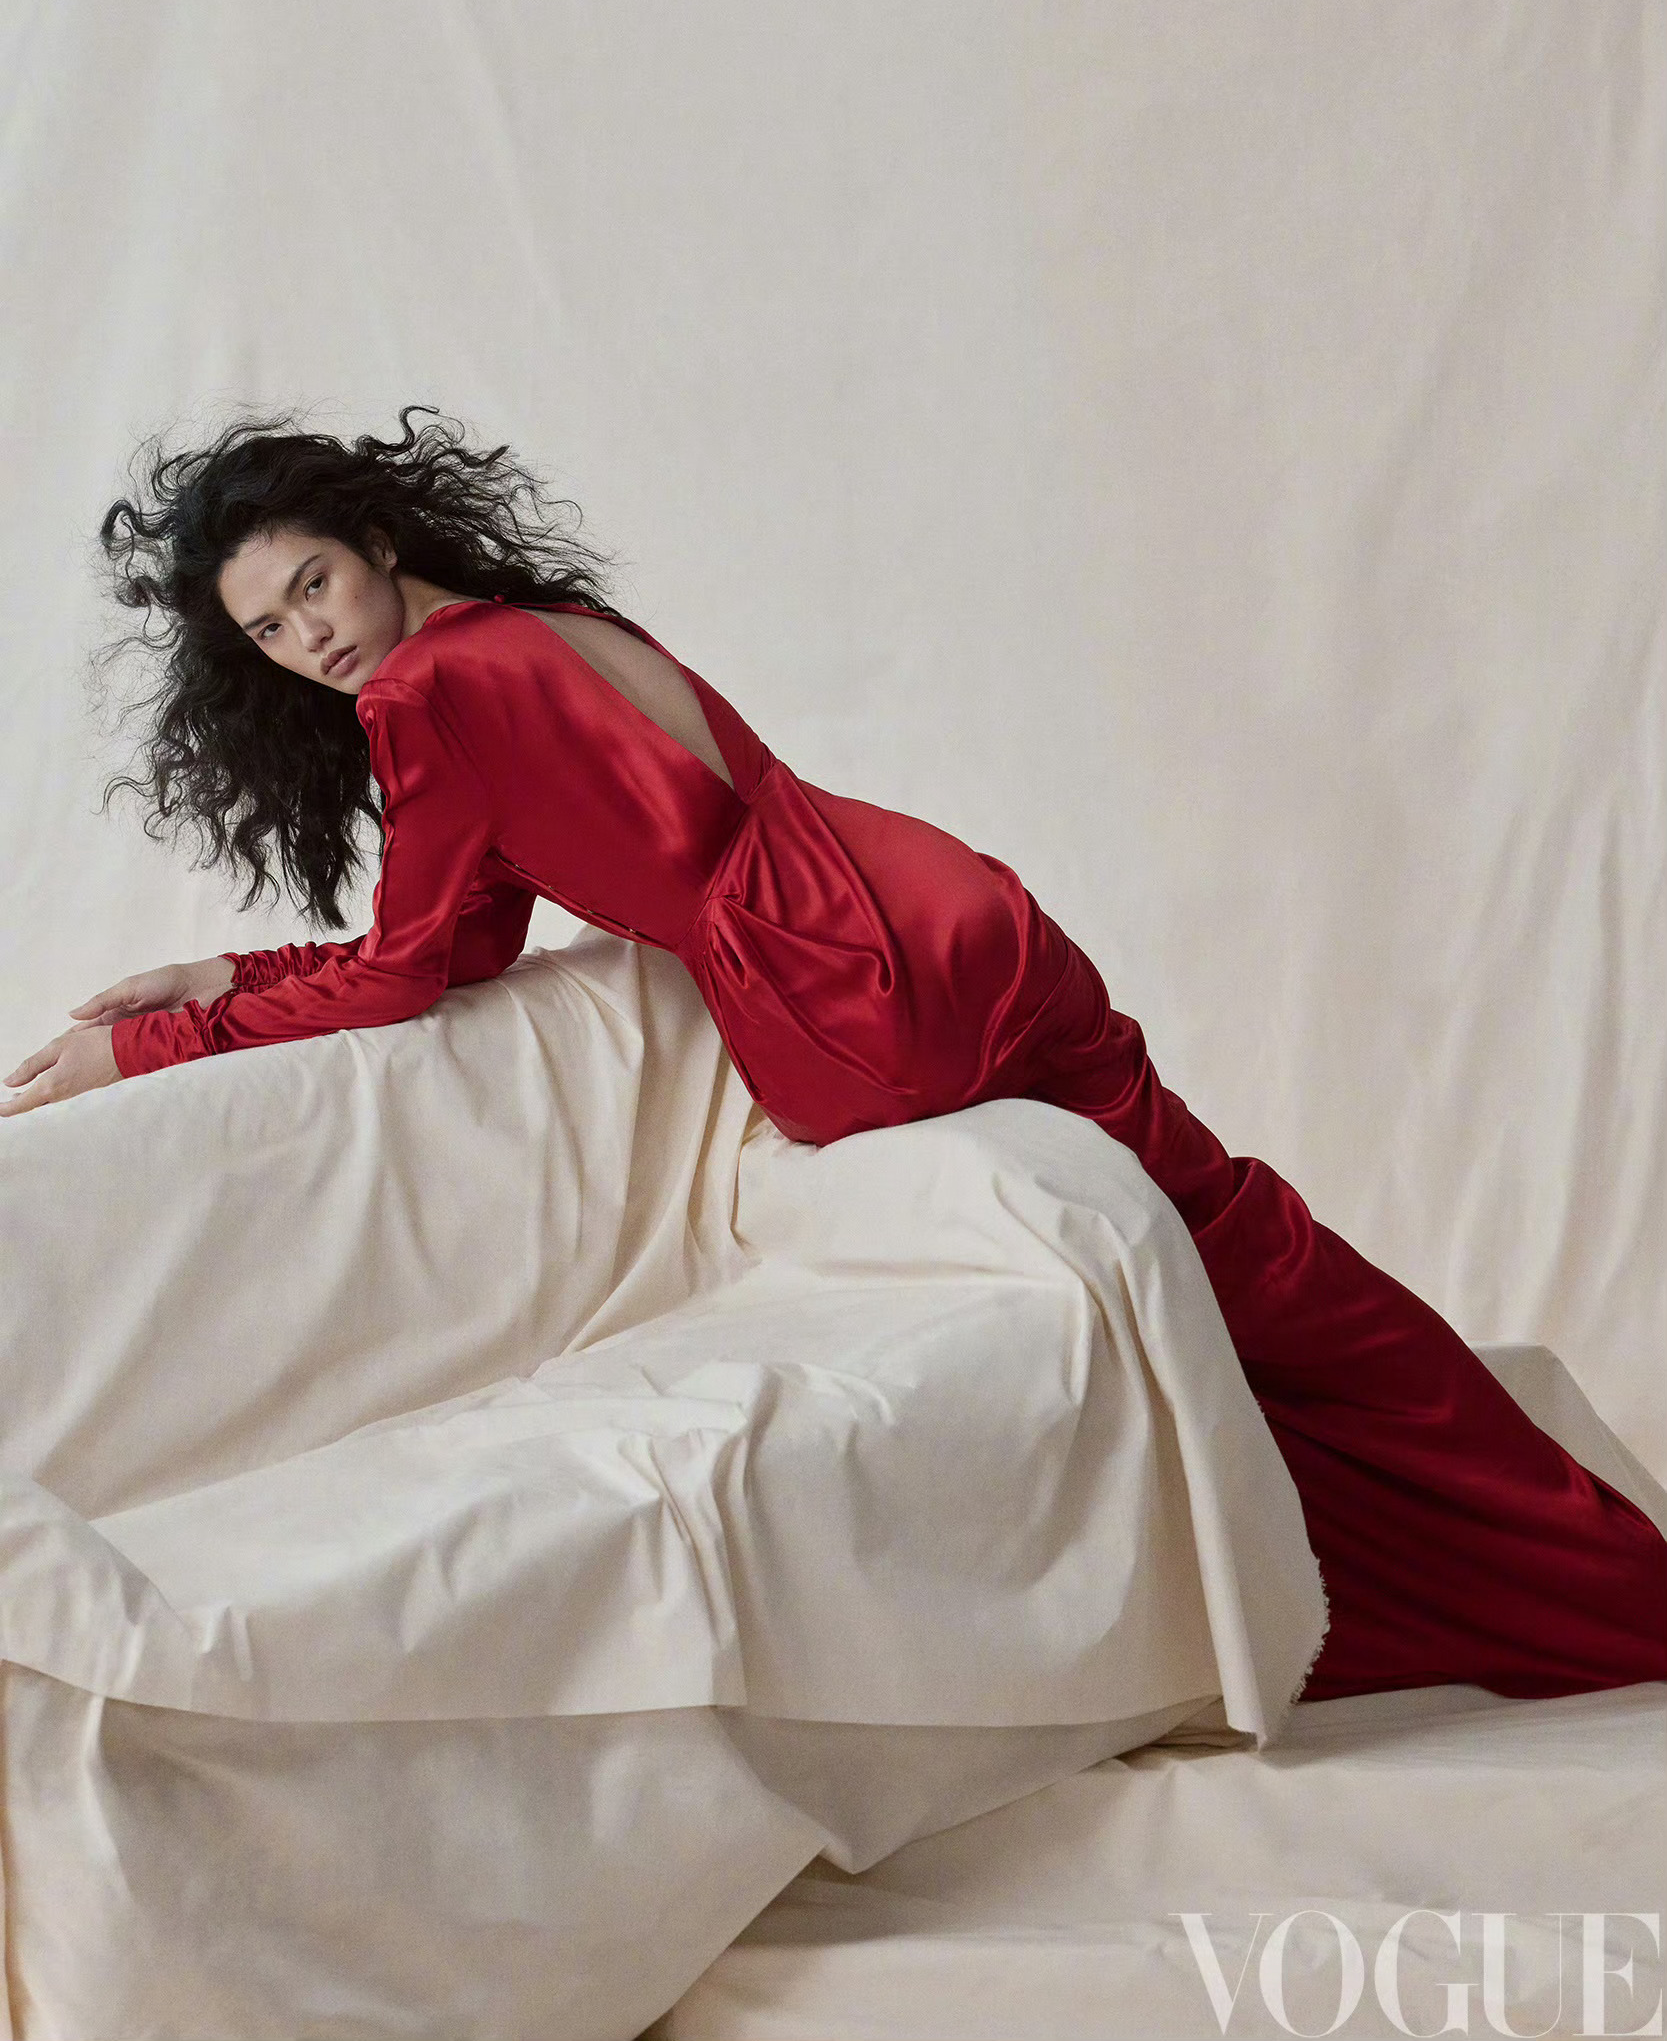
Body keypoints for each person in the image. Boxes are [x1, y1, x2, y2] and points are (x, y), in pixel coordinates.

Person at [6, 407, 1663, 1703]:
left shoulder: (428, 697)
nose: (310, 640)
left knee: (1210, 1275)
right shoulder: (531, 625)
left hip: (846, 989)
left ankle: (1524, 1584)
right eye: (269, 632)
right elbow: (469, 940)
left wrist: (153, 1046)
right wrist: (225, 968)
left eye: (312, 585)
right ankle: (1575, 1562)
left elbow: (409, 974)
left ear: (374, 542)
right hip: (938, 902)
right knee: (1241, 1247)